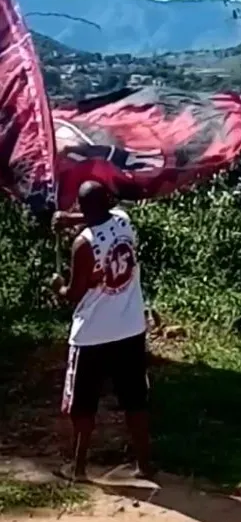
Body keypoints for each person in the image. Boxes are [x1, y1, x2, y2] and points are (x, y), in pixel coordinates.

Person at [51, 180, 151, 482]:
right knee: (135, 399)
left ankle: (78, 467)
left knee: (83, 404)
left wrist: (57, 285)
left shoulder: (83, 245)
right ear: (107, 202)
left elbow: (74, 294)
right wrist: (72, 218)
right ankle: (144, 465)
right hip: (131, 328)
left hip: (92, 335)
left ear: (82, 207)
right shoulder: (124, 221)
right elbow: (103, 214)